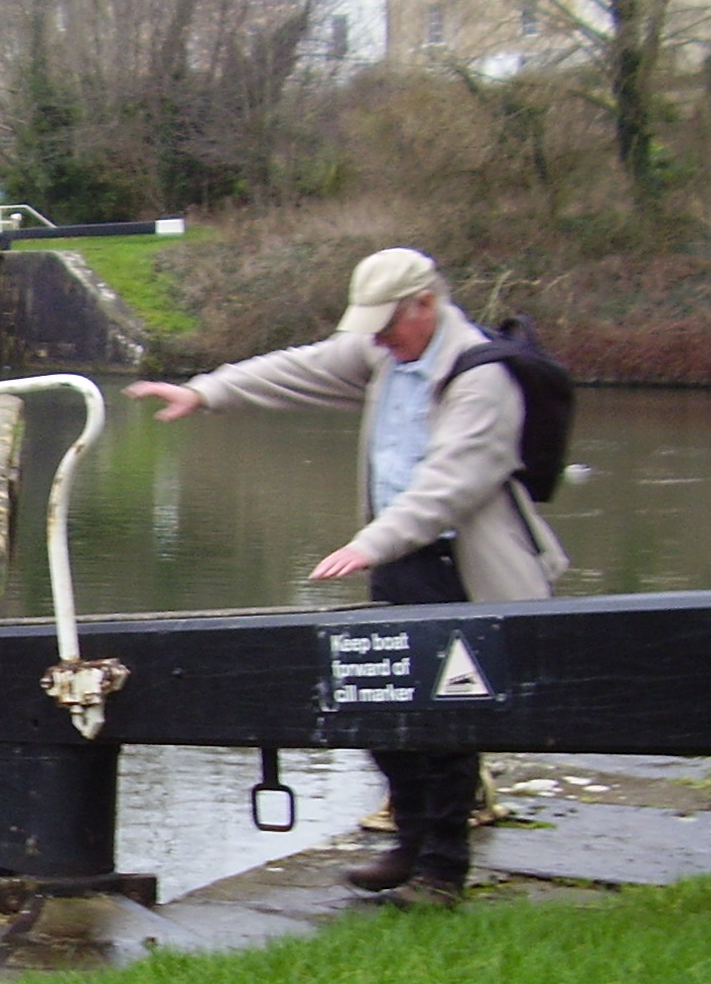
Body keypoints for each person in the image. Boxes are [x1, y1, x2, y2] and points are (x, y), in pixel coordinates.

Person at [126, 247, 568, 909]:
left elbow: (449, 488)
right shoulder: (385, 355)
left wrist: (368, 543)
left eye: (389, 324)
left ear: (426, 304)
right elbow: (301, 368)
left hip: (462, 566)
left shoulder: (481, 378)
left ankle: (442, 870)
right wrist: (206, 391)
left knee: (448, 717)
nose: (380, 339)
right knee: (376, 698)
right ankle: (411, 840)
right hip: (399, 560)